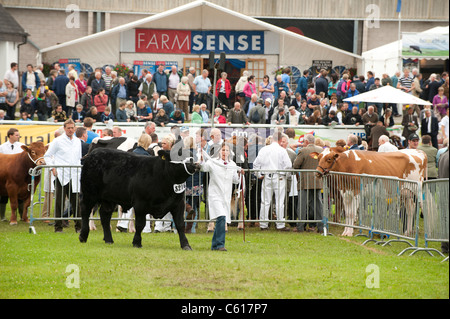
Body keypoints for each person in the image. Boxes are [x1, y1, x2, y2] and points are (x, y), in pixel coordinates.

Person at [200, 142, 241, 251]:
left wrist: (240, 173)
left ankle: (214, 245)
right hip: (215, 195)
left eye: (227, 150)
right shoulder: (213, 163)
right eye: (223, 150)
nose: (225, 152)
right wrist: (201, 159)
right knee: (221, 217)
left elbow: (235, 180)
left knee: (221, 219)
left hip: (225, 196)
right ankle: (220, 244)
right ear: (219, 151)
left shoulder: (232, 164)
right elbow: (203, 168)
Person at [44, 119, 82, 233]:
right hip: (61, 175)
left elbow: (78, 158)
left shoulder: (77, 141)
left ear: (75, 128)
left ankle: (79, 227)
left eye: (72, 128)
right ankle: (58, 227)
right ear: (64, 129)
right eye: (68, 128)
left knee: (76, 203)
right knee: (59, 203)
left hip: (74, 175)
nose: (70, 130)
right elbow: (47, 156)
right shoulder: (58, 141)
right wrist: (53, 168)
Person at [253, 130, 292, 231]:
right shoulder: (282, 150)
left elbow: (256, 164)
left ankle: (264, 224)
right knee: (279, 201)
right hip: (279, 177)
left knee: (265, 201)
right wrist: (286, 176)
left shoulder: (264, 149)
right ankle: (280, 224)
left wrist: (258, 175)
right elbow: (288, 166)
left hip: (266, 176)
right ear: (280, 140)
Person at [293, 134, 324, 232]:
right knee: (318, 205)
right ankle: (320, 227)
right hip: (317, 180)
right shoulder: (321, 150)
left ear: (306, 142)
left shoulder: (303, 150)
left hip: (304, 181)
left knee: (302, 204)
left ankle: (300, 227)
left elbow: (295, 165)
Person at [0, 128, 26, 221]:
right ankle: (2, 216)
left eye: (18, 135)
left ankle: (22, 216)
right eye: (16, 135)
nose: (18, 136)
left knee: (20, 196)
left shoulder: (22, 146)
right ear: (10, 136)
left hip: (19, 175)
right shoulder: (2, 147)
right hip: (5, 174)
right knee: (4, 196)